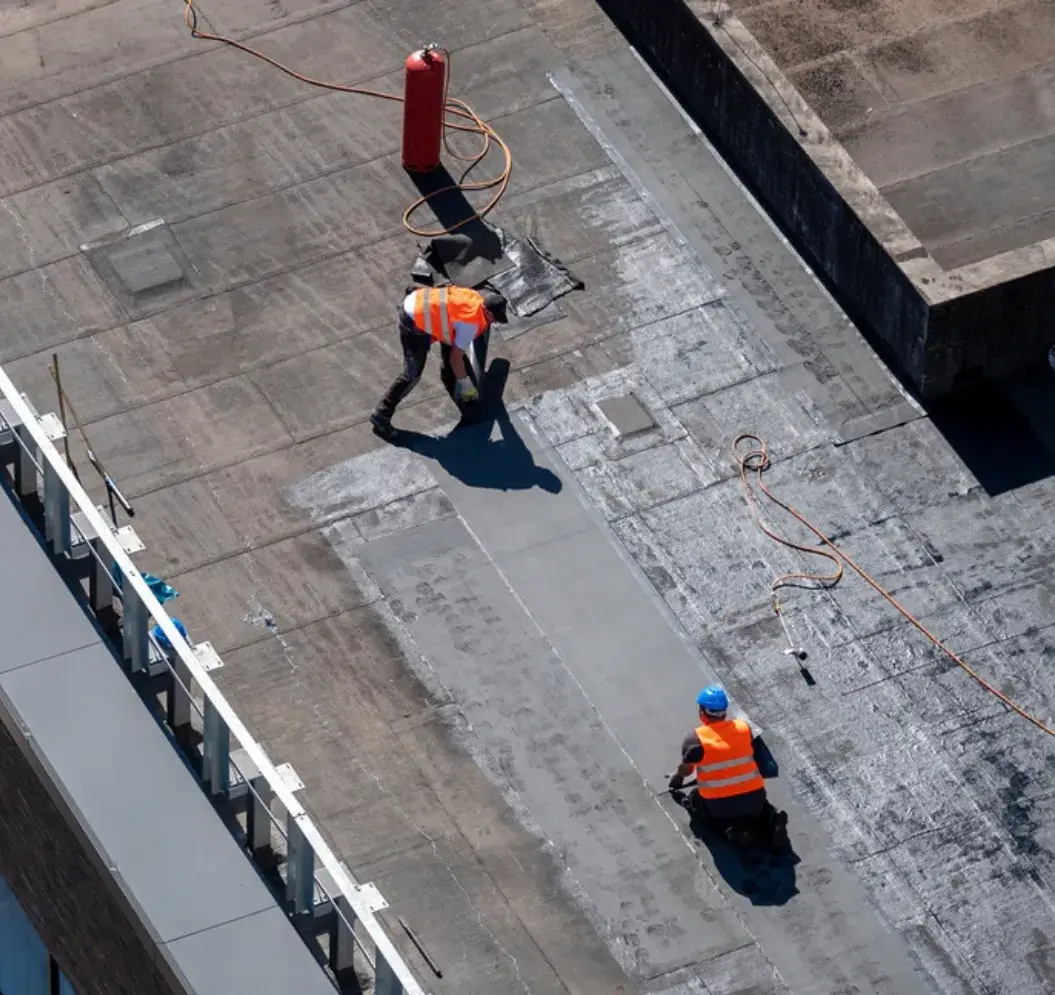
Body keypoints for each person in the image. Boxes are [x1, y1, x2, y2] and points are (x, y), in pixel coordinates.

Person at [370, 284, 509, 439]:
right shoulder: (470, 324)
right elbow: (456, 359)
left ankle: (450, 377)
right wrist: (468, 389)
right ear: (487, 311)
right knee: (412, 374)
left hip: (421, 301)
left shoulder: (474, 297)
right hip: (413, 321)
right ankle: (381, 414)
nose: (493, 323)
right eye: (493, 319)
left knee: (453, 353)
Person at [668, 685, 788, 846]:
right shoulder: (744, 728)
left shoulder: (694, 740)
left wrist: (677, 779)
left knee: (698, 805)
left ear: (702, 711)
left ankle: (734, 832)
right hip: (755, 799)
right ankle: (771, 818)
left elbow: (687, 769)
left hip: (721, 807)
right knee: (757, 808)